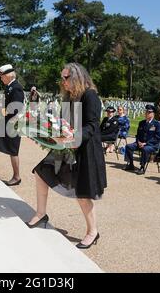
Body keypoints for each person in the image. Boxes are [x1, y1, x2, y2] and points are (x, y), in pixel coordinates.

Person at [26, 62, 107, 250]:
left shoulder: (90, 95)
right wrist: (49, 131)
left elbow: (92, 126)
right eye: (62, 78)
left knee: (83, 193)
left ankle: (92, 231)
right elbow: (63, 122)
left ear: (77, 77)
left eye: (66, 78)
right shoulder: (69, 97)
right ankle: (41, 213)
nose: (63, 82)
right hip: (66, 148)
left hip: (84, 150)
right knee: (41, 172)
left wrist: (74, 136)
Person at [124, 105, 160, 175]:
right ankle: (131, 164)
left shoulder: (157, 124)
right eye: (146, 111)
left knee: (145, 149)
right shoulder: (141, 123)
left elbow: (157, 138)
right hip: (140, 143)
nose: (147, 113)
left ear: (153, 114)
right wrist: (138, 141)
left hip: (152, 145)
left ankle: (142, 167)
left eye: (149, 112)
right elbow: (137, 135)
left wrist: (145, 143)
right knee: (128, 146)